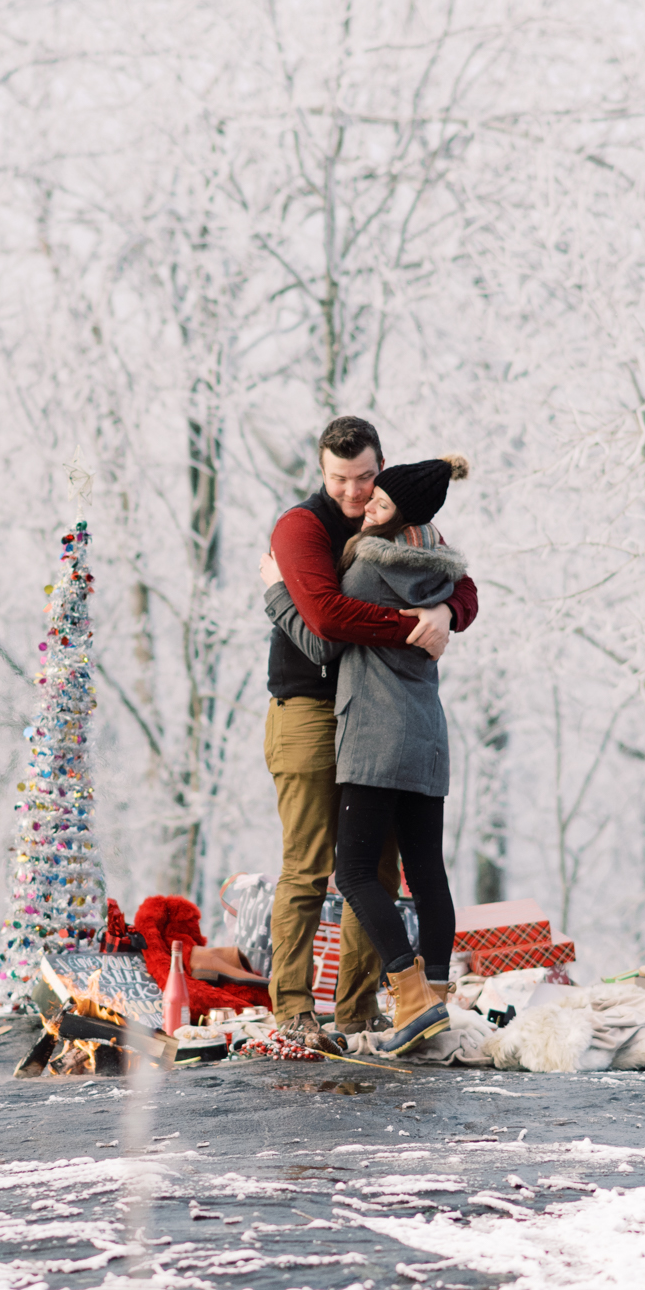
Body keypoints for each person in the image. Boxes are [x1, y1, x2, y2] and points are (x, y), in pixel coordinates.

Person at [262, 422, 477, 1050]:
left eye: (365, 477)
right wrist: (414, 622)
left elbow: (460, 582)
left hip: (372, 711)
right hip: (309, 704)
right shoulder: (302, 528)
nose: (354, 491)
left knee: (379, 871)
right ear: (321, 472)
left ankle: (357, 1009)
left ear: (381, 467)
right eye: (340, 478)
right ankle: (295, 1008)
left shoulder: (399, 519)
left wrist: (444, 613)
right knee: (308, 865)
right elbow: (327, 623)